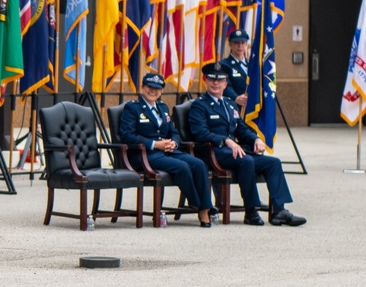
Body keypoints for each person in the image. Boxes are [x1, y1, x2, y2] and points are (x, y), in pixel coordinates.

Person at [188, 61, 306, 227]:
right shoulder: (199, 105)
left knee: (273, 163)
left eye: (220, 80)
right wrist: (226, 141)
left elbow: (241, 129)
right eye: (212, 79)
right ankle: (251, 211)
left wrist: (255, 139)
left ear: (225, 83)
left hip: (234, 152)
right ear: (205, 81)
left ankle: (279, 210)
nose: (215, 83)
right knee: (246, 161)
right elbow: (200, 133)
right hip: (214, 152)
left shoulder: (229, 104)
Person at [119, 73, 215, 227]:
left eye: (157, 88)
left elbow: (174, 132)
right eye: (150, 87)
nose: (153, 91)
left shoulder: (163, 108)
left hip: (167, 151)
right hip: (144, 154)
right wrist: (155, 144)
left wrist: (174, 143)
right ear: (142, 88)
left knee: (199, 164)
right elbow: (127, 136)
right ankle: (201, 207)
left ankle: (204, 205)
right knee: (182, 167)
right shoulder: (132, 108)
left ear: (161, 91)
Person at [221, 29, 250, 107]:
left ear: (246, 44)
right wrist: (236, 98)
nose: (240, 46)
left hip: (251, 107)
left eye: (242, 42)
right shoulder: (224, 64)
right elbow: (225, 85)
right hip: (234, 106)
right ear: (230, 44)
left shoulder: (251, 65)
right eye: (236, 42)